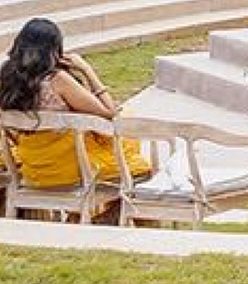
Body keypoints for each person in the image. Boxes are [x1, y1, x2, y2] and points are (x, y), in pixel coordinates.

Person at [0, 17, 149, 194]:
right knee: (131, 149)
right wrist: (87, 70)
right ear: (54, 50)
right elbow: (110, 113)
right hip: (68, 172)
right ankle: (103, 217)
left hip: (33, 172)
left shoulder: (5, 79)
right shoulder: (57, 80)